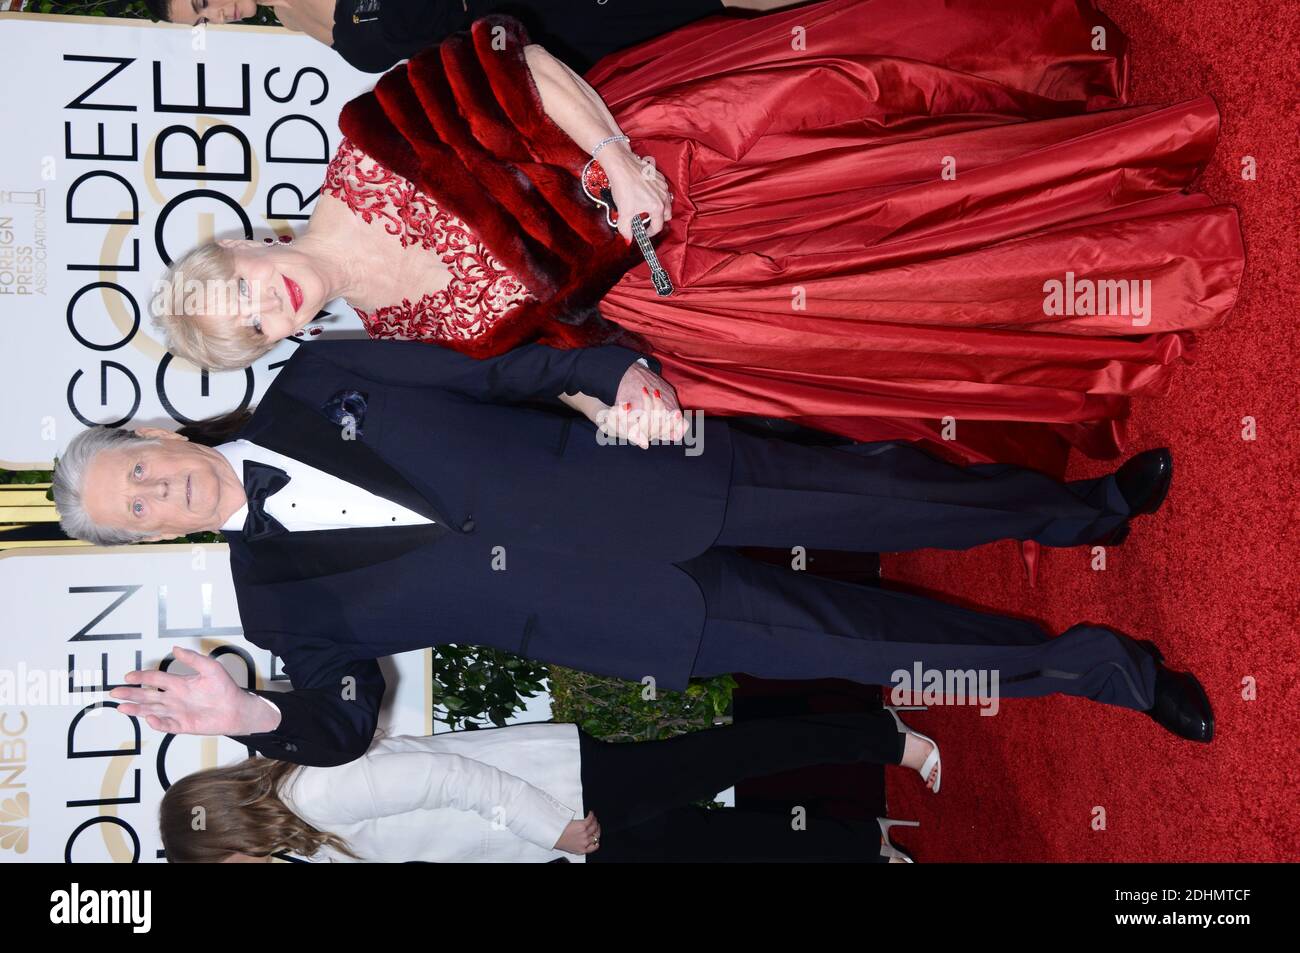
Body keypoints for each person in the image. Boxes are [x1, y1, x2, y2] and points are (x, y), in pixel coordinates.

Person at [152, 0, 1244, 473]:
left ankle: (1083, 125)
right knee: (910, 292)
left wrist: (622, 166)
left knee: (888, 131)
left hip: (665, 147)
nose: (261, 305)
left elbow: (506, 55)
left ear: (240, 247)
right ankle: (1123, 256)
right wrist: (610, 400)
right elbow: (549, 348)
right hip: (678, 295)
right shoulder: (399, 330)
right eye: (244, 331)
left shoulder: (366, 144)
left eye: (232, 288)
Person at [52, 338, 1213, 771]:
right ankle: (1094, 666)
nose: (159, 489)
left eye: (140, 468)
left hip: (649, 472)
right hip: (628, 622)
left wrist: (609, 376)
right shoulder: (276, 607)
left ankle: (1079, 508)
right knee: (883, 645)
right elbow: (344, 713)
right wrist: (253, 719)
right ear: (160, 535)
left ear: (159, 434)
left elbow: (493, 372)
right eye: (140, 509)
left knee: (892, 493)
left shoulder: (315, 381)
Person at [161, 711, 940, 863]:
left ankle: (880, 737)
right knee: (714, 843)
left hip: (565, 790)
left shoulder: (314, 795)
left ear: (225, 828)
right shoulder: (305, 842)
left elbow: (449, 777)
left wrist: (552, 829)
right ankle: (861, 841)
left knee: (731, 757)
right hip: (561, 835)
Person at [150, 0, 795, 74]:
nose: (216, 16)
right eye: (201, 20)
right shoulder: (291, 23)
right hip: (539, 45)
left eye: (201, 2)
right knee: (708, 27)